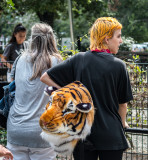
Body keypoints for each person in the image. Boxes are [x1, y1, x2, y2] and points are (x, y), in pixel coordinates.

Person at [40, 17, 133, 160]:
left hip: (84, 134)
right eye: (118, 36)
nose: (121, 41)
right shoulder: (119, 65)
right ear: (106, 39)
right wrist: (123, 123)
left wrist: (71, 93)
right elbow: (122, 104)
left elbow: (45, 77)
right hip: (111, 135)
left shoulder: (79, 59)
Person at [6, 23, 62, 160]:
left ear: (33, 39)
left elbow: (13, 84)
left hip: (16, 128)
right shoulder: (57, 61)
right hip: (43, 130)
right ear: (51, 39)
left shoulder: (20, 59)